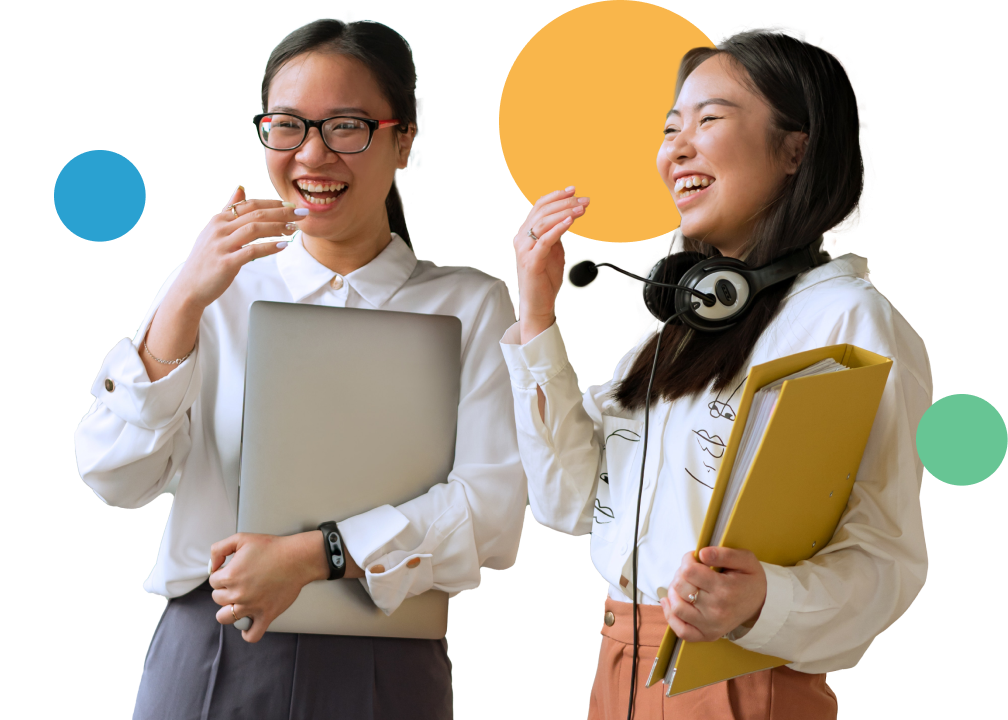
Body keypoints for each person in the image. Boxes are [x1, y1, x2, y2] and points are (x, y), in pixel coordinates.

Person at [74, 15, 526, 720]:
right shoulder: (210, 288)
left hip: (388, 666)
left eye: (346, 126)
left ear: (404, 139)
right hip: (211, 654)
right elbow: (115, 477)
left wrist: (318, 554)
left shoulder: (470, 304)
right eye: (286, 125)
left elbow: (494, 519)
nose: (312, 156)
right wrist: (183, 303)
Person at [503, 26, 928, 719]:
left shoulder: (850, 321)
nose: (676, 148)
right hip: (617, 667)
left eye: (709, 120)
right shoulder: (678, 328)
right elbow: (567, 503)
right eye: (671, 128)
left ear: (798, 147)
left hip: (742, 682)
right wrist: (538, 315)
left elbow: (888, 560)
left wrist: (768, 600)